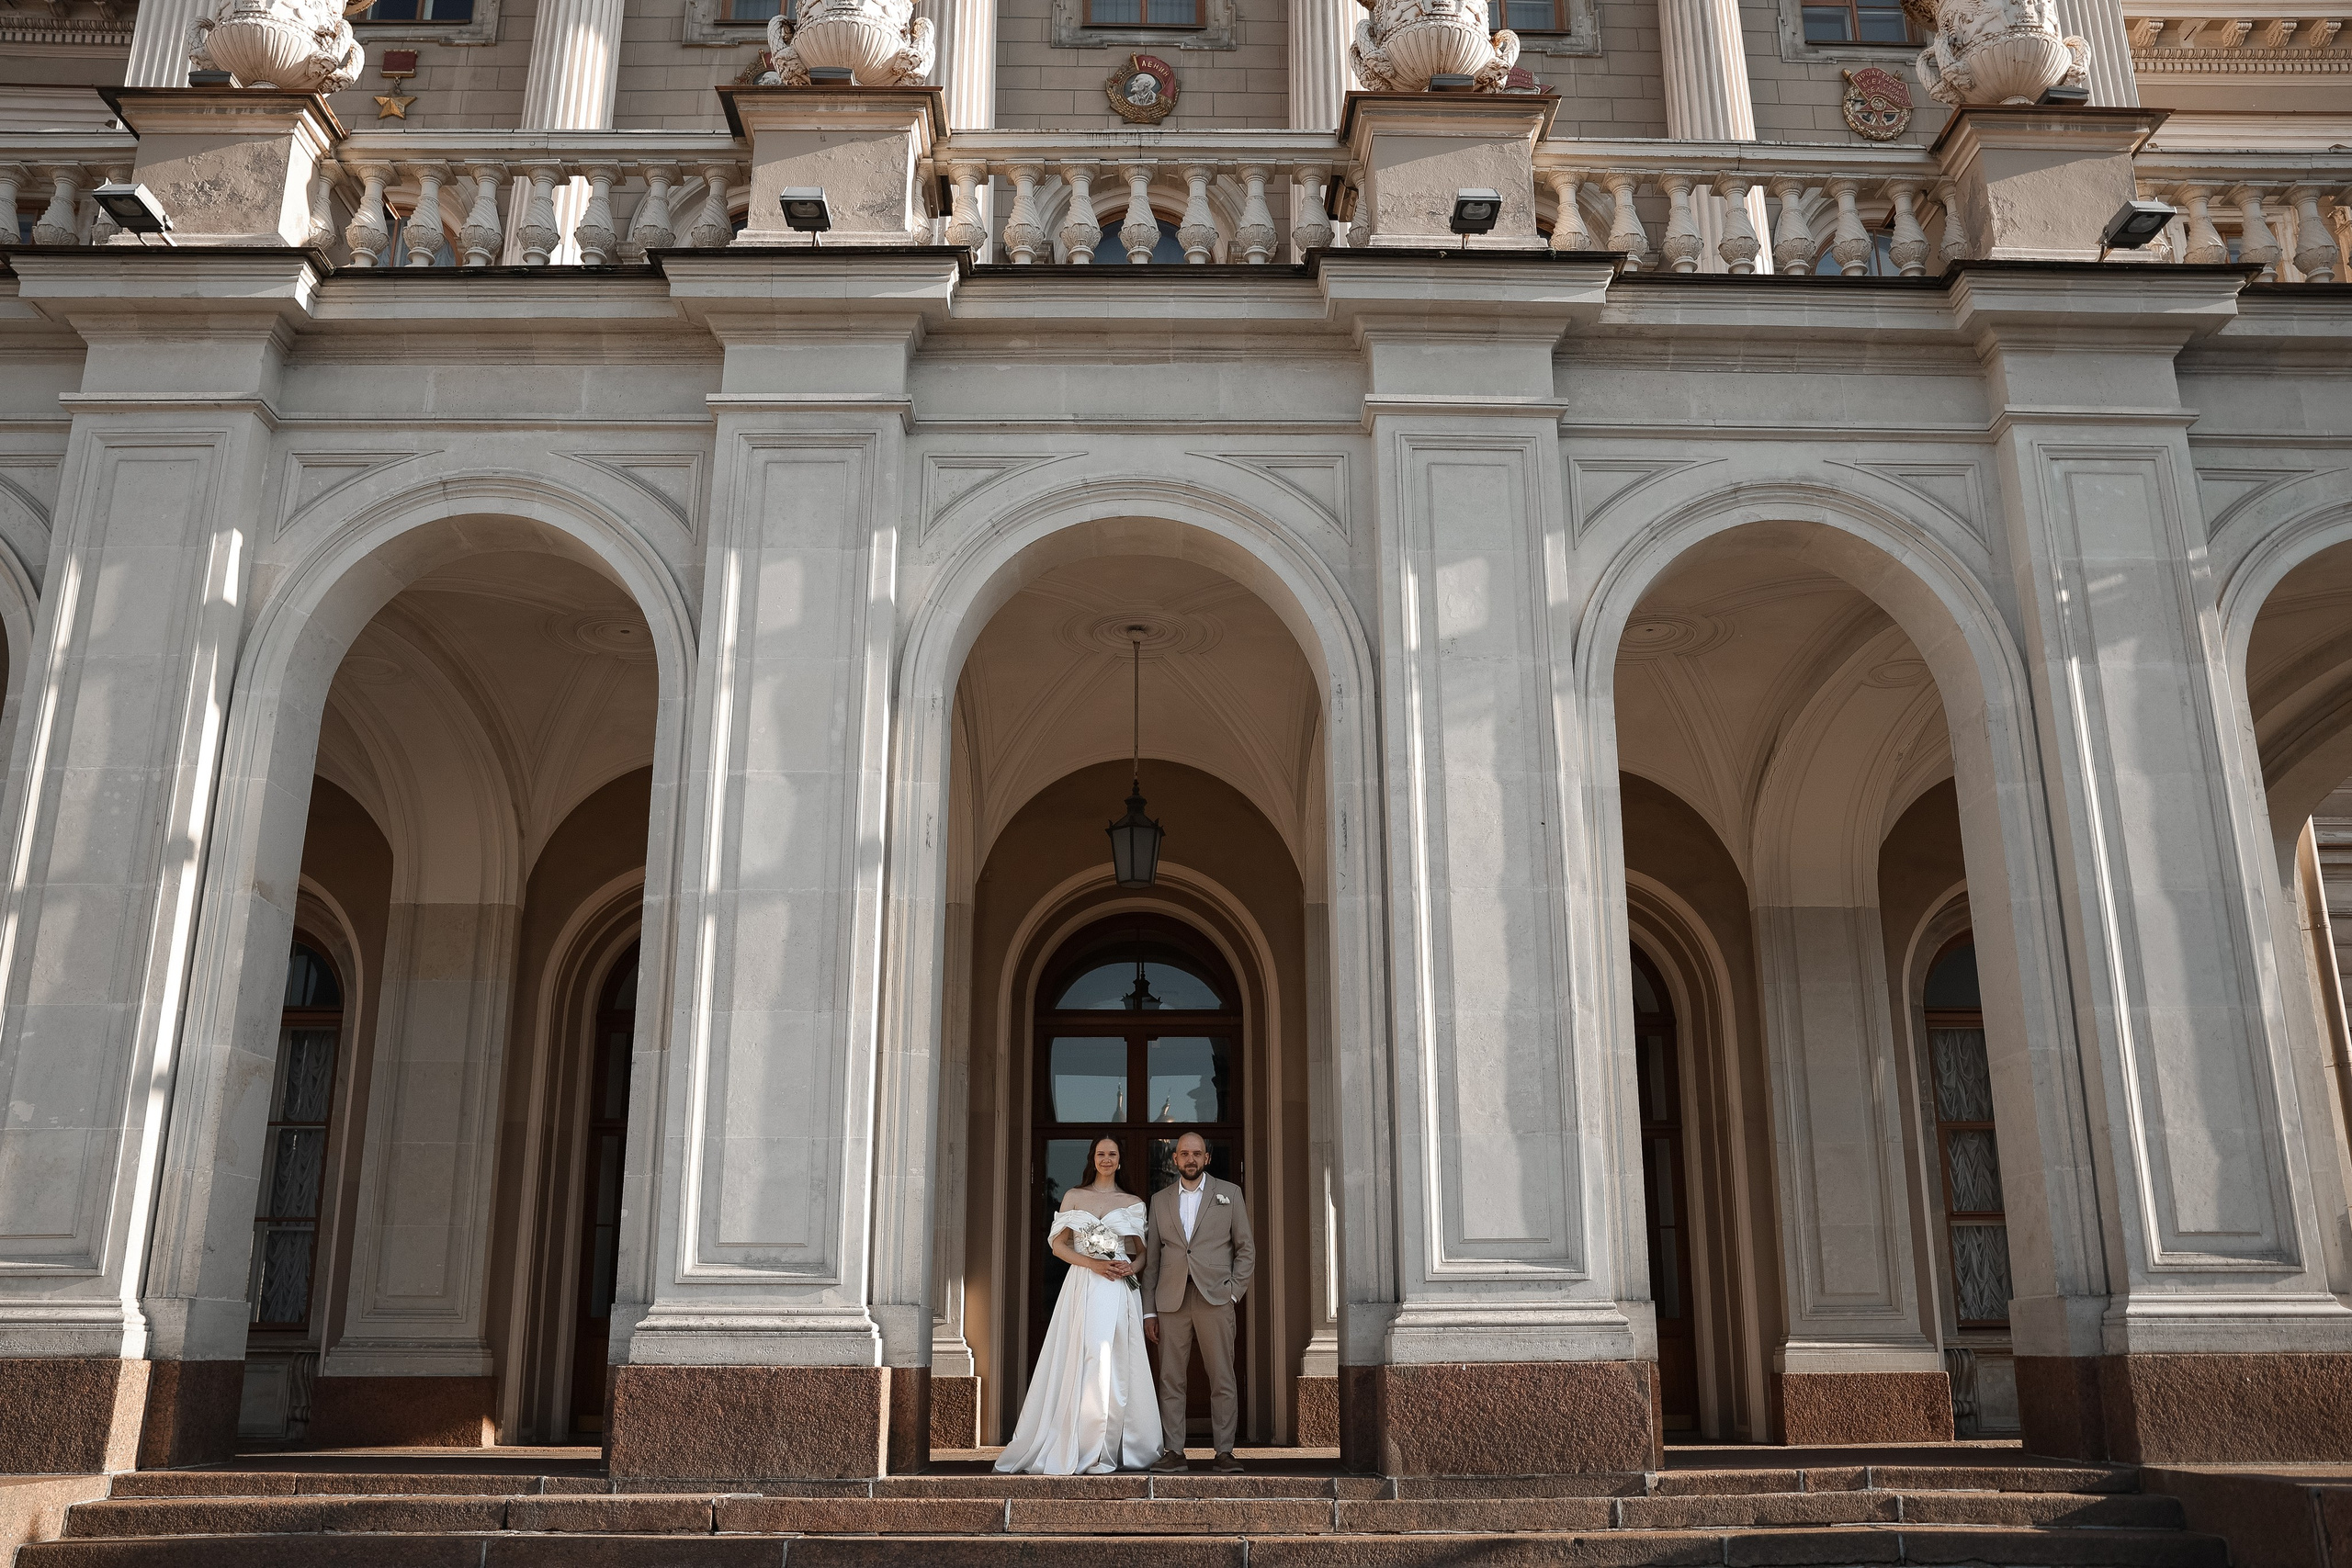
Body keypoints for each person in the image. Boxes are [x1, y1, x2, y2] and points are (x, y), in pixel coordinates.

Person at [994, 1136, 1163, 1473]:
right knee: (1085, 1355)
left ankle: (1111, 1444)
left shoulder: (1131, 1202)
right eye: (1101, 1153)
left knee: (1114, 1358)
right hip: (1083, 1284)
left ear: (1120, 1160)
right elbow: (1058, 1246)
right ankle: (1078, 1440)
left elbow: (1142, 1252)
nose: (1106, 1159)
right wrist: (1093, 1265)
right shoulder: (1074, 1196)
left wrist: (1132, 1267)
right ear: (1093, 1158)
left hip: (1117, 1288)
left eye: (1112, 1154)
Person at [1141, 1131, 1255, 1472]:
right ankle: (1174, 1451)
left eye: (1197, 1153)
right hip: (1171, 1300)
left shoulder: (1230, 1194)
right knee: (1171, 1379)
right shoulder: (1160, 1200)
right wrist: (1149, 1310)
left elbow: (1245, 1250)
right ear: (1174, 1159)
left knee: (1222, 1376)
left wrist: (1233, 1292)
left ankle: (1224, 1451)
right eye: (1184, 1153)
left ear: (1207, 1158)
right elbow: (1153, 1261)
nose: (1190, 1159)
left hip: (1215, 1297)